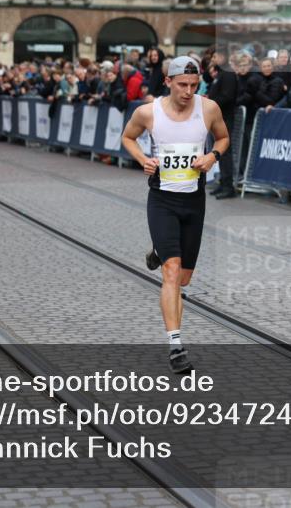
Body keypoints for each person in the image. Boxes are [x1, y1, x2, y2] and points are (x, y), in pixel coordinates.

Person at [121, 57, 230, 373]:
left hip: (194, 201)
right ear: (168, 82)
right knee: (171, 272)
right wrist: (143, 158)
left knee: (184, 277)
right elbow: (127, 137)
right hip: (162, 200)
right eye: (183, 85)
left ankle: (158, 249)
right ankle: (176, 345)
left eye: (194, 86)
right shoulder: (147, 112)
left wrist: (212, 155)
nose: (188, 91)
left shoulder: (207, 108)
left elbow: (223, 137)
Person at [205, 50, 239, 200]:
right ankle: (223, 182)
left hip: (225, 118)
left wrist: (211, 104)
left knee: (225, 152)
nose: (213, 59)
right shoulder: (220, 74)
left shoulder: (229, 74)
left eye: (215, 56)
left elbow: (227, 96)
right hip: (218, 118)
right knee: (219, 152)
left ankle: (228, 185)